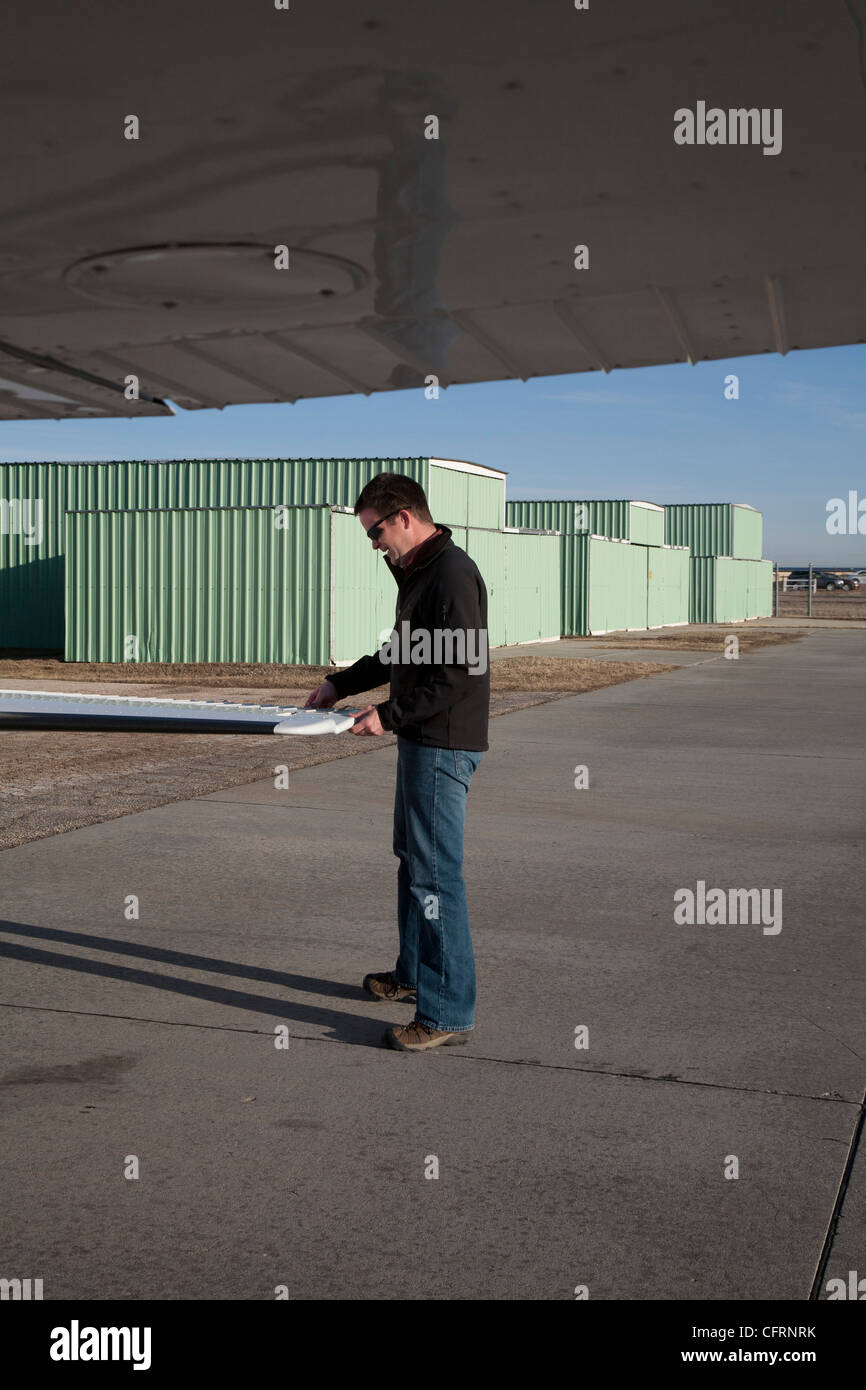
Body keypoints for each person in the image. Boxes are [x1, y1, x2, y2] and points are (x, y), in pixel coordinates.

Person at [305, 472, 490, 1052]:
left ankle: (447, 1013)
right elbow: (402, 653)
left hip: (441, 744)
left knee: (436, 876)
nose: (375, 545)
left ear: (405, 516)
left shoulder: (452, 573)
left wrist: (388, 714)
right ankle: (414, 975)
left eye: (376, 533)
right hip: (422, 740)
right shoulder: (420, 573)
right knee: (413, 863)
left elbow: (461, 671)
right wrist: (343, 683)